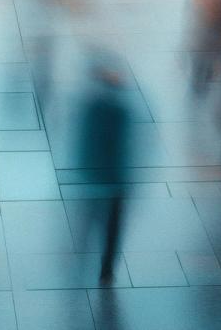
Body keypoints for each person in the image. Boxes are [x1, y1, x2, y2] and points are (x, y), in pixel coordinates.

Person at [82, 56, 132, 284]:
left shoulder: (92, 108)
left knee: (94, 221)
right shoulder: (118, 110)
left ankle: (97, 262)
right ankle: (107, 267)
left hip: (98, 177)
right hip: (115, 178)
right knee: (111, 224)